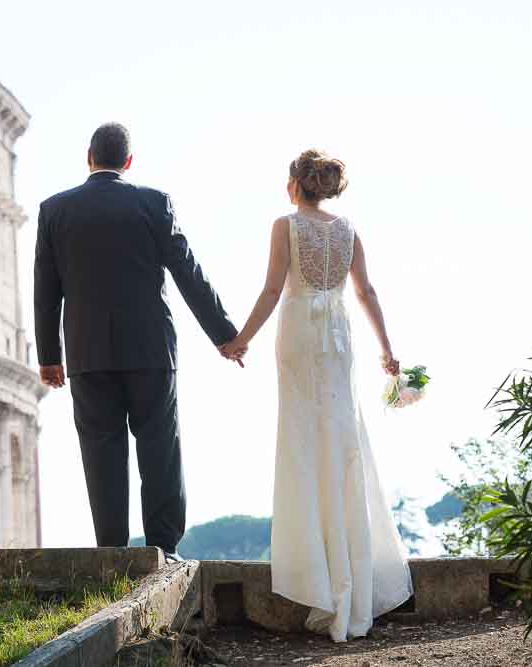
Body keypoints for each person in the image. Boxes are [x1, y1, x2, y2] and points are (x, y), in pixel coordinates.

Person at [220, 149, 414, 641]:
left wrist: (241, 339)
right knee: (342, 438)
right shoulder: (348, 229)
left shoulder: (285, 225)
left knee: (305, 444)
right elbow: (367, 292)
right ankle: (348, 586)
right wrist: (388, 352)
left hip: (301, 336)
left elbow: (271, 290)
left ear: (294, 184)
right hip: (339, 337)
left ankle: (323, 585)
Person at [33, 122, 244, 561]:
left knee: (101, 451)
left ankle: (111, 552)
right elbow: (188, 272)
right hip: (151, 349)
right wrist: (224, 335)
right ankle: (163, 549)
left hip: (87, 353)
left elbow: (45, 288)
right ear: (128, 162)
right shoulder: (153, 203)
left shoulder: (54, 210)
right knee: (159, 448)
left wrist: (49, 357)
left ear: (88, 157)